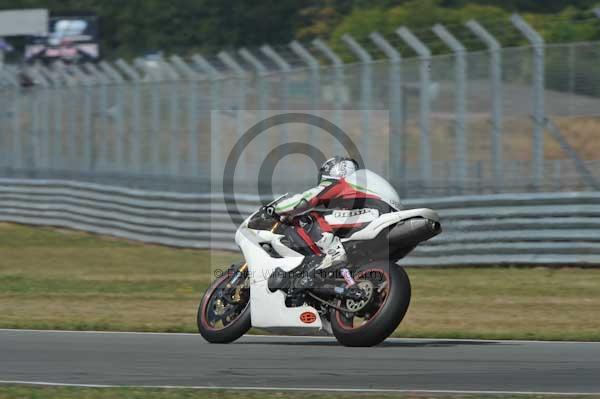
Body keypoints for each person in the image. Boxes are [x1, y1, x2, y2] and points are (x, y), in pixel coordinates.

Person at [265, 156, 397, 271]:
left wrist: (277, 208)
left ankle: (334, 253)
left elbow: (305, 200)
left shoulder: (340, 183)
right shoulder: (359, 184)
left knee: (310, 218)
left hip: (374, 213)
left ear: (334, 170)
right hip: (384, 214)